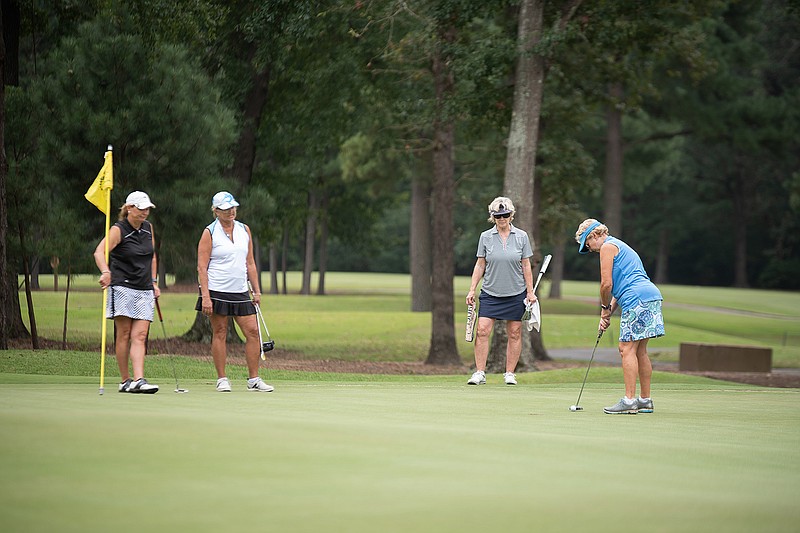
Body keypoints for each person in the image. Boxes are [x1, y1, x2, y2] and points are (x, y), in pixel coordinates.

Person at [575, 218, 665, 414]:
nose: (589, 249)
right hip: (650, 296)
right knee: (640, 350)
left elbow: (606, 285)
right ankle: (645, 400)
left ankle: (629, 401)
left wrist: (604, 307)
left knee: (626, 349)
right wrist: (607, 314)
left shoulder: (607, 247)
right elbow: (618, 289)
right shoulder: (620, 245)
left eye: (587, 244)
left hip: (636, 298)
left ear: (594, 235)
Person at [196, 191, 273, 393]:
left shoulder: (244, 229)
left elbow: (250, 262)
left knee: (253, 332)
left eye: (233, 207)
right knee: (220, 332)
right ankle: (222, 379)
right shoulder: (209, 232)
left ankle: (253, 379)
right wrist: (205, 296)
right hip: (217, 290)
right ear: (216, 211)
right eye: (225, 208)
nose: (231, 211)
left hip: (240, 290)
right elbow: (202, 267)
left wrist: (257, 290)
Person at [93, 191, 160, 394]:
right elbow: (99, 252)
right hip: (122, 286)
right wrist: (105, 271)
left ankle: (139, 380)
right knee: (123, 334)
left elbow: (152, 257)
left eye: (147, 209)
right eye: (141, 208)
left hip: (145, 288)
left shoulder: (148, 228)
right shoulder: (118, 229)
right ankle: (125, 380)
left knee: (139, 335)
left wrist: (154, 282)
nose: (145, 212)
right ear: (129, 208)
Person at [465, 197, 536, 386]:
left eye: (505, 215)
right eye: (498, 216)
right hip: (490, 291)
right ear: (493, 217)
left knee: (514, 332)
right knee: (482, 331)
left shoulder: (521, 236)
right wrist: (472, 289)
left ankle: (510, 373)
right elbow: (480, 264)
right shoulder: (485, 237)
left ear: (511, 215)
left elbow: (526, 265)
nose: (502, 218)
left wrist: (530, 292)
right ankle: (480, 372)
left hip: (516, 292)